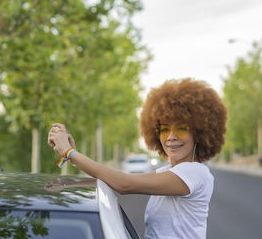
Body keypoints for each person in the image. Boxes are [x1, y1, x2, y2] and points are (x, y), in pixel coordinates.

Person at [48, 78, 227, 239]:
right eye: (164, 129)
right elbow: (112, 180)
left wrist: (70, 153)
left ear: (199, 132)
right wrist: (72, 164)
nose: (171, 137)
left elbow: (125, 184)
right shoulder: (167, 171)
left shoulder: (194, 172)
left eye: (181, 128)